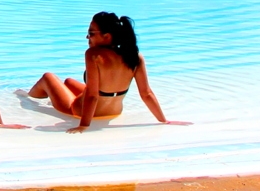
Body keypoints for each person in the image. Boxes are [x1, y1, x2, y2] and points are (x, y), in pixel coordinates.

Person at [27, 12, 172, 133]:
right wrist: (163, 121)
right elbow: (146, 94)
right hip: (114, 111)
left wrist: (84, 125)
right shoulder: (135, 57)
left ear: (107, 36)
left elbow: (92, 95)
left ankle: (26, 98)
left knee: (48, 77)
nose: (87, 37)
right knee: (69, 82)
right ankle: (49, 97)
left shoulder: (94, 55)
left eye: (91, 33)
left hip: (81, 111)